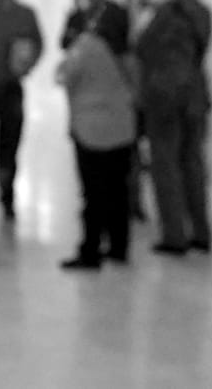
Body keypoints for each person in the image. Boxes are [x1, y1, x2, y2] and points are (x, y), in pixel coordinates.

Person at [133, 0, 212, 255]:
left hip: (165, 95)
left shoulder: (166, 13)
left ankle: (175, 235)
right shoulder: (204, 12)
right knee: (193, 164)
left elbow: (142, 47)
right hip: (196, 95)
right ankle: (202, 232)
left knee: (165, 165)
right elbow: (201, 48)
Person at [55, 27, 137, 270]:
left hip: (92, 129)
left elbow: (64, 76)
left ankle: (90, 251)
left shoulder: (83, 47)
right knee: (119, 191)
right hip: (123, 126)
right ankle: (119, 247)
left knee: (93, 192)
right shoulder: (124, 52)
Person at [0, 0, 43, 221]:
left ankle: (7, 194)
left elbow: (37, 44)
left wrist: (26, 65)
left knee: (9, 144)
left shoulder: (25, 14)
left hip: (10, 87)